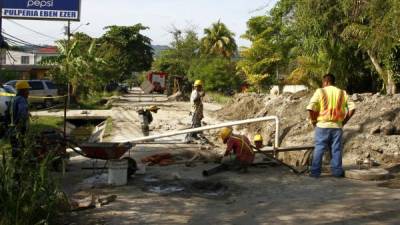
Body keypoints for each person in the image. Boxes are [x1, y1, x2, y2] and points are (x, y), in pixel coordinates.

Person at [307, 73, 356, 178]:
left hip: (322, 126)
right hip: (337, 127)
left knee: (319, 148)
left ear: (326, 82)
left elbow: (310, 108)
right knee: (336, 150)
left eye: (323, 83)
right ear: (334, 82)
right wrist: (344, 122)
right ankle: (337, 172)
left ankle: (315, 173)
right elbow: (352, 109)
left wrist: (314, 121)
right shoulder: (342, 93)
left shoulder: (320, 91)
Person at [9, 80, 31, 158]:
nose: (28, 92)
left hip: (12, 128)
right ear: (23, 91)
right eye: (27, 90)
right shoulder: (21, 99)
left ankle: (15, 165)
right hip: (19, 128)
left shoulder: (14, 99)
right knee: (21, 148)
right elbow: (22, 114)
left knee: (15, 150)